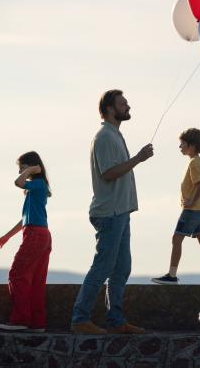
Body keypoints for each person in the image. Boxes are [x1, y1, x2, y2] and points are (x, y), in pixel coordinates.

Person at [70, 89, 154, 335]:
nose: (128, 106)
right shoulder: (105, 136)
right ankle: (80, 318)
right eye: (123, 103)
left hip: (121, 212)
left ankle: (116, 321)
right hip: (109, 213)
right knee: (103, 268)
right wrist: (138, 158)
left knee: (121, 268)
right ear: (110, 109)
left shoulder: (115, 134)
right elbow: (108, 173)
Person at [151, 128, 200, 285]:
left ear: (192, 146)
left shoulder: (194, 163)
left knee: (177, 238)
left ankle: (172, 276)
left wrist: (192, 202)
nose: (180, 147)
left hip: (192, 210)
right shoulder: (195, 162)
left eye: (182, 144)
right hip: (199, 209)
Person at [0, 151, 53, 332]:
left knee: (17, 275)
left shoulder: (37, 183)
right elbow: (24, 220)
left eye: (22, 167)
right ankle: (37, 322)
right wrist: (7, 236)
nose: (20, 171)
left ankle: (21, 319)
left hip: (35, 234)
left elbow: (18, 182)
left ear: (32, 166)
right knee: (36, 279)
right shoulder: (36, 188)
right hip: (40, 234)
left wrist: (33, 170)